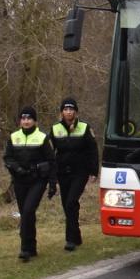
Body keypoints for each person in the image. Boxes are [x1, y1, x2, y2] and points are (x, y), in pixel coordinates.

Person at [3, 106, 56, 262]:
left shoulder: (42, 137)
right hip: (20, 181)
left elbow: (52, 161)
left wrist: (52, 183)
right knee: (27, 215)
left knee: (27, 211)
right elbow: (7, 158)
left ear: (35, 121)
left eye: (29, 118)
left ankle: (25, 249)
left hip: (37, 180)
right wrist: (17, 168)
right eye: (23, 118)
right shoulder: (13, 137)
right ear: (20, 121)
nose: (26, 121)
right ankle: (31, 247)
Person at [50, 97, 99, 251]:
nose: (68, 112)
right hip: (62, 172)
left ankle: (70, 240)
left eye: (71, 109)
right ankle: (76, 235)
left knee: (71, 202)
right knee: (67, 205)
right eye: (65, 109)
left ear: (76, 112)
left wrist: (93, 171)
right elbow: (50, 153)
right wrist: (51, 175)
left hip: (80, 171)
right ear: (62, 112)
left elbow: (93, 150)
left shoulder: (84, 128)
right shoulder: (55, 129)